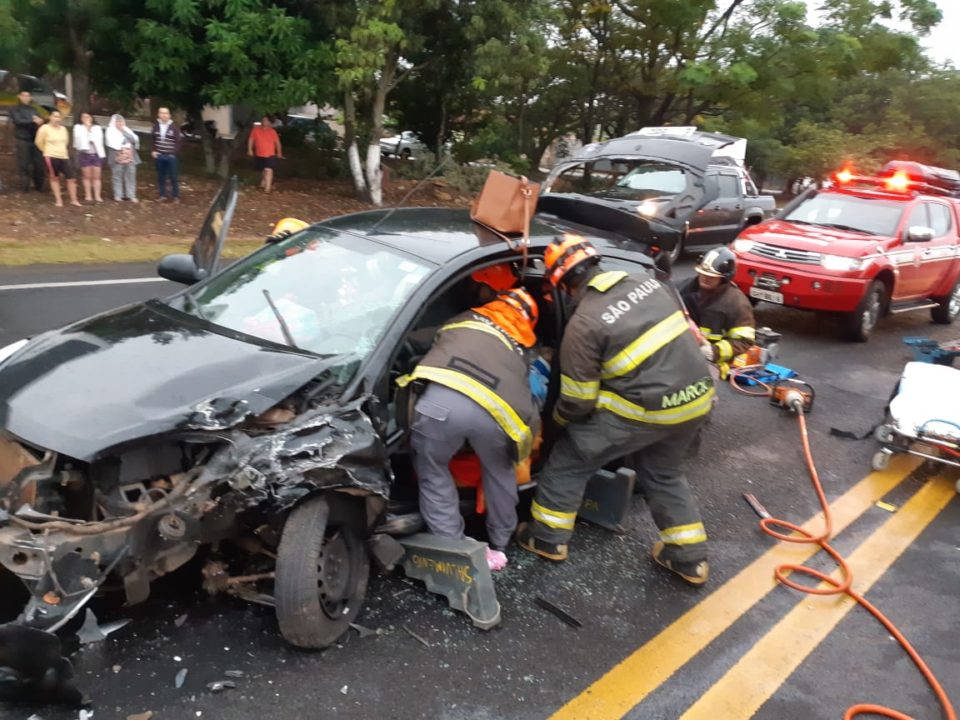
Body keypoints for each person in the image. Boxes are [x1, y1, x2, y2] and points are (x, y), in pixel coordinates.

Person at [517, 234, 714, 585]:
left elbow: (578, 400)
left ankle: (546, 538)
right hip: (695, 399)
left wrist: (556, 426)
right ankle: (688, 559)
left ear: (561, 284)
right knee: (663, 474)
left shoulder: (584, 324)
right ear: (594, 263)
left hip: (645, 410)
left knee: (570, 458)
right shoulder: (648, 284)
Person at [398, 288, 541, 572]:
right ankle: (500, 544)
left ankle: (452, 548)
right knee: (500, 472)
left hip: (439, 405)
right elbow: (526, 399)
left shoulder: (462, 320)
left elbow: (411, 341)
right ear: (527, 322)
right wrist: (525, 447)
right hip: (495, 412)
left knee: (432, 469)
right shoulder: (521, 348)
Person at [679, 246, 756, 380]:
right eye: (703, 273)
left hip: (710, 365)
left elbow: (744, 340)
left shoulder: (736, 303)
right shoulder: (681, 289)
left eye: (712, 276)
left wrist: (714, 352)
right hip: (679, 355)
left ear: (725, 278)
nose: (705, 278)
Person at [34, 110, 80, 207]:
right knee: (54, 178)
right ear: (50, 117)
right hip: (50, 156)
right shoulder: (44, 128)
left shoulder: (63, 129)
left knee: (71, 178)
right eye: (55, 116)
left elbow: (66, 142)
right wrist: (47, 150)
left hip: (63, 155)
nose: (57, 119)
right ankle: (59, 200)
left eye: (58, 117)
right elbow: (38, 142)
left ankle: (74, 200)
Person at [9, 90, 45, 192]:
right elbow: (18, 121)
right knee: (24, 165)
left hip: (35, 140)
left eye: (28, 96)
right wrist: (33, 121)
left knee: (39, 165)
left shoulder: (34, 109)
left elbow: (40, 119)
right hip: (23, 140)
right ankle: (24, 188)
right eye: (23, 95)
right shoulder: (15, 109)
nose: (26, 98)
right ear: (19, 97)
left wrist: (40, 121)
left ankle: (39, 187)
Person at [105, 114, 142, 202]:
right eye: (117, 121)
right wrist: (123, 141)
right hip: (117, 157)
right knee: (117, 176)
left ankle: (131, 195)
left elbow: (134, 139)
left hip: (130, 157)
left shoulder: (126, 129)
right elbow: (112, 142)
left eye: (121, 121)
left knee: (131, 175)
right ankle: (118, 195)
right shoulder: (110, 131)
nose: (120, 123)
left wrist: (124, 133)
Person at [72, 112, 106, 203]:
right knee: (87, 176)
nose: (86, 118)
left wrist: (89, 131)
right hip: (84, 154)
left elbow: (97, 140)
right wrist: (86, 129)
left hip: (96, 154)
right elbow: (79, 140)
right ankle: (88, 195)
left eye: (87, 116)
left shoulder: (97, 128)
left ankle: (97, 195)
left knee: (97, 176)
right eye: (83, 117)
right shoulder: (78, 128)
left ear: (91, 118)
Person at [151, 106, 181, 202]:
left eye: (166, 113)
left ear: (169, 115)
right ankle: (162, 195)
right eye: (161, 113)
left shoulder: (174, 127)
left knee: (173, 176)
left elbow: (178, 142)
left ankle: (175, 196)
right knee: (161, 176)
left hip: (170, 156)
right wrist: (153, 150)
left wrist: (173, 153)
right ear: (159, 115)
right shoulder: (156, 126)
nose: (163, 115)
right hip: (159, 155)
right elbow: (153, 140)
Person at [248, 116, 283, 193]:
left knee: (268, 169)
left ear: (270, 122)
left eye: (266, 120)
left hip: (270, 154)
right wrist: (250, 149)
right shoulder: (255, 130)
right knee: (264, 169)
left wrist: (279, 152)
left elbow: (277, 143)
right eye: (263, 120)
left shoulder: (273, 131)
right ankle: (263, 182)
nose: (264, 122)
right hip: (259, 154)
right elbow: (251, 139)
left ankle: (267, 188)